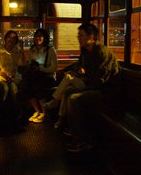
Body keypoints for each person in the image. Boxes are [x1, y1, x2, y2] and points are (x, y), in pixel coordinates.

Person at [62, 23, 121, 153]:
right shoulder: (85, 51)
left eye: (81, 35)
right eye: (78, 35)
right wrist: (78, 71)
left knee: (74, 98)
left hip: (107, 92)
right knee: (68, 91)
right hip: (95, 87)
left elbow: (101, 80)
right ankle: (73, 129)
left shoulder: (102, 52)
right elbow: (78, 66)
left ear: (92, 37)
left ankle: (83, 141)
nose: (79, 38)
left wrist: (83, 85)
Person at [23, 28, 58, 123]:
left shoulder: (50, 50)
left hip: (48, 77)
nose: (38, 38)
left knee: (36, 85)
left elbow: (54, 68)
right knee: (27, 86)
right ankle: (38, 111)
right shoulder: (32, 49)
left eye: (40, 36)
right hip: (35, 76)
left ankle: (45, 112)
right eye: (36, 36)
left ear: (45, 38)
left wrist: (40, 69)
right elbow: (30, 63)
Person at [0, 30, 25, 123]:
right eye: (9, 37)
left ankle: (15, 117)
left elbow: (21, 63)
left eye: (14, 38)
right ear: (5, 39)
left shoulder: (16, 51)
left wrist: (21, 49)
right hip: (0, 78)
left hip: (13, 78)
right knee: (4, 89)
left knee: (14, 90)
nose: (11, 40)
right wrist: (3, 74)